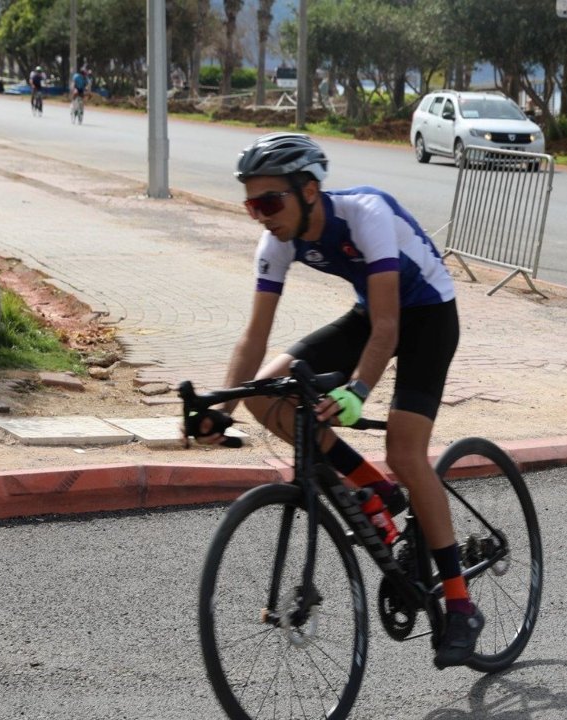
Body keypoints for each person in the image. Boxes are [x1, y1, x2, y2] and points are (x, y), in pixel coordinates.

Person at [192, 133, 483, 669]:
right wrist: (220, 409)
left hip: (427, 316)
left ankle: (461, 603)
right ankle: (375, 490)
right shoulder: (276, 241)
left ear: (309, 190)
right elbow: (254, 338)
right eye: (251, 205)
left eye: (269, 202)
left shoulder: (365, 214)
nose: (261, 216)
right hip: (369, 315)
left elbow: (390, 326)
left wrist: (357, 391)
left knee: (406, 452)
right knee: (263, 395)